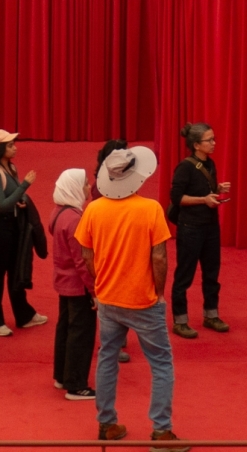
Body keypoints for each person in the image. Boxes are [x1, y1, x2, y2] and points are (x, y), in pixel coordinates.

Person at [78, 146, 182, 448]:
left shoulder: (94, 209)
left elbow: (87, 253)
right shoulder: (150, 209)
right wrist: (159, 293)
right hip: (143, 300)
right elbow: (159, 256)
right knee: (161, 363)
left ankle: (106, 423)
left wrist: (100, 284)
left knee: (107, 358)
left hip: (109, 299)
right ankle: (161, 430)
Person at [0, 129, 47, 336]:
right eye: (9, 145)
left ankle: (24, 315)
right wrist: (25, 185)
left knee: (15, 271)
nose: (15, 147)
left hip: (11, 227)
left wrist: (22, 201)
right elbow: (1, 204)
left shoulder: (11, 167)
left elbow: (13, 198)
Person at [168, 123, 231, 339]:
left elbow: (204, 188)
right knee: (184, 276)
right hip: (190, 228)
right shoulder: (184, 167)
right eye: (209, 140)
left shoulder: (210, 163)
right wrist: (203, 200)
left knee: (212, 274)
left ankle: (211, 315)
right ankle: (180, 320)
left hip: (211, 226)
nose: (213, 143)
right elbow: (176, 198)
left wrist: (217, 189)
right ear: (196, 145)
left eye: (213, 139)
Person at [49, 168, 97, 400]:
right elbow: (82, 261)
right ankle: (76, 385)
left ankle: (62, 375)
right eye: (86, 184)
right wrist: (94, 290)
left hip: (63, 282)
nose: (89, 187)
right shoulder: (76, 219)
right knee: (81, 334)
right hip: (78, 286)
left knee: (65, 330)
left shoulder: (58, 213)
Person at [97, 138, 134, 364]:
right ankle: (111, 344)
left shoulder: (115, 182)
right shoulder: (100, 188)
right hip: (109, 248)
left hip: (120, 245)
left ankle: (118, 336)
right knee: (111, 300)